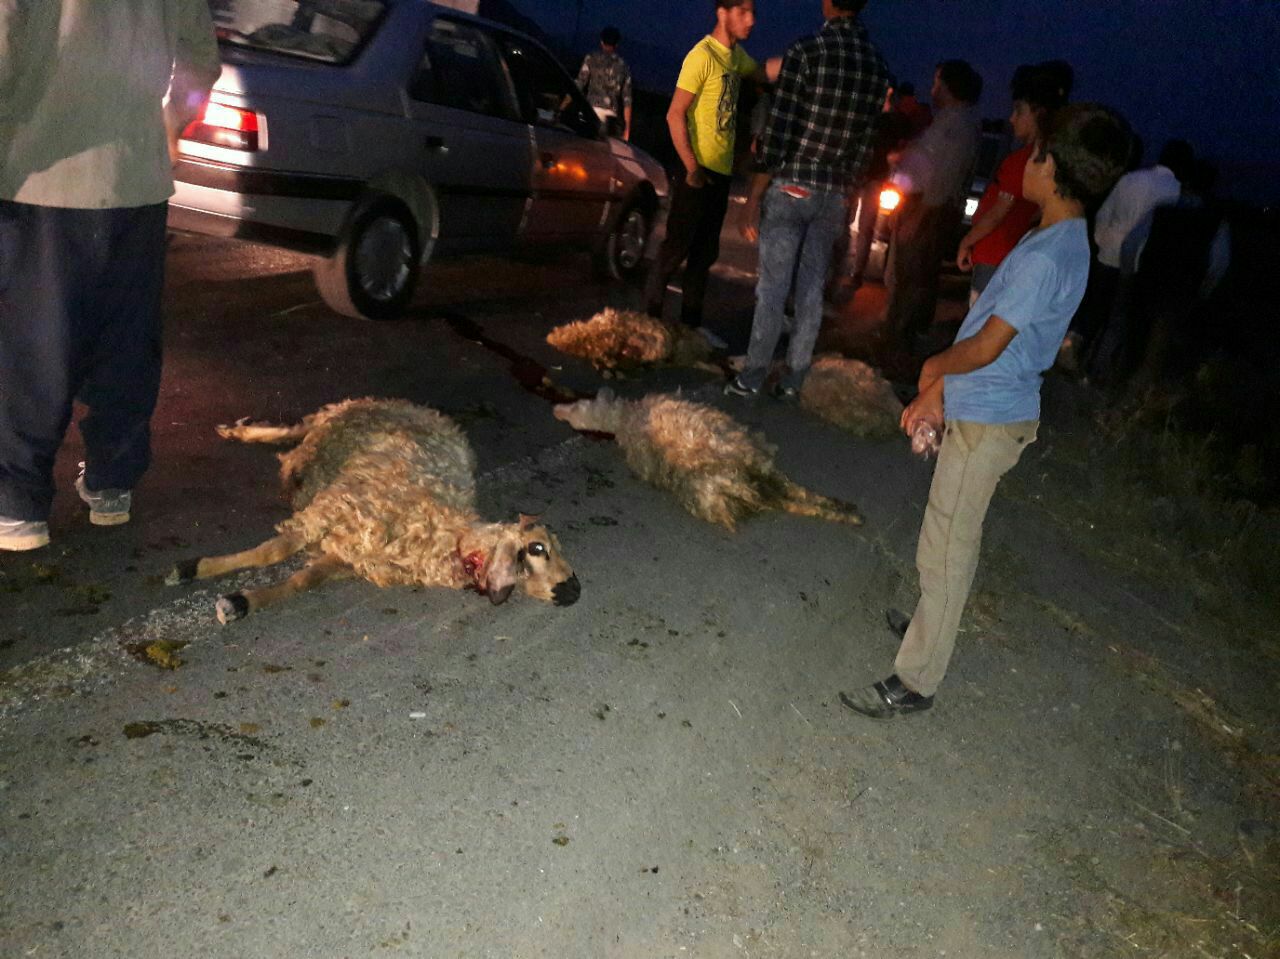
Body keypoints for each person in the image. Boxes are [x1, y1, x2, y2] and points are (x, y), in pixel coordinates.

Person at [839, 103, 1134, 718]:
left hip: (989, 418)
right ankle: (928, 622)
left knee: (949, 547)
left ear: (1054, 172)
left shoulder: (1049, 253)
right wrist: (941, 386)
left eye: (1039, 152)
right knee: (940, 533)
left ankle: (916, 679)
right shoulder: (1055, 237)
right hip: (988, 407)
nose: (1028, 159)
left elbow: (987, 345)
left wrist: (932, 374)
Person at [0, 0, 221, 551]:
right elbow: (200, 59)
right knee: (126, 338)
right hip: (136, 179)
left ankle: (18, 503)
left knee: (37, 346)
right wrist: (171, 122)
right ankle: (112, 482)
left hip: (42, 175)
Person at [724, 0, 890, 400]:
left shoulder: (807, 52)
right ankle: (794, 380)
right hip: (833, 192)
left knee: (774, 287)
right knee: (811, 289)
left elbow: (780, 131)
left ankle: (754, 374)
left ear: (827, 3)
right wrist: (847, 187)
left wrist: (755, 194)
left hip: (794, 184)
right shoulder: (877, 67)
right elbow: (867, 143)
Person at [643, 0, 776, 347]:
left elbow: (762, 72)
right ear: (723, 12)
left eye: (753, 13)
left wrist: (803, 59)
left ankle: (689, 329)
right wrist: (691, 167)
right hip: (696, 172)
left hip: (721, 173)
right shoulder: (701, 56)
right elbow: (674, 115)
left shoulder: (736, 58)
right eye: (743, 12)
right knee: (675, 250)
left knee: (704, 256)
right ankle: (649, 322)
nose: (752, 20)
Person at [1069, 138, 1193, 384]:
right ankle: (1094, 372)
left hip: (1108, 252)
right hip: (1137, 263)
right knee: (1117, 319)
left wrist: (1102, 241)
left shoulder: (1131, 179)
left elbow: (1105, 213)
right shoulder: (1176, 191)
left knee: (1093, 308)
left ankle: (1071, 353)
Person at [882, 60, 983, 355]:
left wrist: (921, 213)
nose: (932, 88)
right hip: (922, 206)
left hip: (927, 208)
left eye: (937, 82)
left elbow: (943, 176)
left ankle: (901, 340)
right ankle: (901, 335)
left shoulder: (958, 124)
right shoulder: (951, 120)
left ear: (950, 87)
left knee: (914, 277)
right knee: (912, 275)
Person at [957, 61, 1073, 306]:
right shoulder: (1047, 159)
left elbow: (998, 212)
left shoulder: (1025, 161)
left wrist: (967, 241)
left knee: (978, 323)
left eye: (1019, 111)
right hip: (1009, 255)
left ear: (1038, 113)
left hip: (994, 254)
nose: (1011, 119)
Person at [577, 26, 633, 140]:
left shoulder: (591, 58)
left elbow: (579, 84)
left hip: (590, 112)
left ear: (601, 41)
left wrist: (563, 105)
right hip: (610, 117)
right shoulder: (623, 65)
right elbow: (627, 99)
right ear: (616, 44)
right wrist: (627, 129)